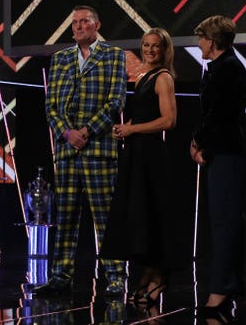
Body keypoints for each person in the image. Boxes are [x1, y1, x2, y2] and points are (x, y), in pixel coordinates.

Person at [37, 5, 127, 297]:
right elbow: (51, 106)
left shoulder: (113, 55)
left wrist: (86, 131)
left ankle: (114, 277)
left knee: (105, 218)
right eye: (74, 22)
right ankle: (60, 277)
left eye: (84, 21)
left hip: (98, 149)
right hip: (66, 151)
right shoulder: (60, 58)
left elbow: (115, 102)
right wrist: (66, 132)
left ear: (97, 24)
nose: (77, 26)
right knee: (66, 218)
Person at [100, 28, 177, 307]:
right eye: (145, 45)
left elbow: (168, 121)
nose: (149, 50)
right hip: (136, 154)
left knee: (152, 215)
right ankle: (149, 273)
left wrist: (133, 129)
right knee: (140, 216)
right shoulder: (142, 76)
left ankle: (158, 277)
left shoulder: (163, 78)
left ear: (164, 49)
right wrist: (126, 129)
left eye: (155, 46)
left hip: (151, 155)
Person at [190, 15, 246, 319]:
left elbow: (221, 115)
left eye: (200, 37)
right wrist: (198, 141)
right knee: (221, 221)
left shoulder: (229, 69)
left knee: (224, 221)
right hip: (219, 150)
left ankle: (222, 289)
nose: (198, 42)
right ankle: (226, 284)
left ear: (211, 41)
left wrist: (201, 143)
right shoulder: (220, 67)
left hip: (226, 152)